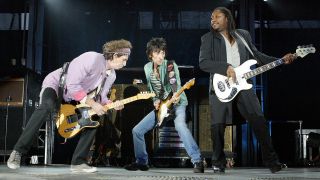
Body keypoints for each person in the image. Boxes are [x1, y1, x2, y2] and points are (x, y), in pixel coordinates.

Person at [7, 39, 132, 173]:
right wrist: (93, 103)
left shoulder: (111, 75)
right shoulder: (91, 59)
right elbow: (72, 85)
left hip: (76, 97)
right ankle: (17, 152)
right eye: (124, 59)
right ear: (114, 56)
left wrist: (112, 104)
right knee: (47, 106)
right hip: (57, 86)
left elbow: (101, 97)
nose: (125, 64)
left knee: (94, 119)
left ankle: (78, 162)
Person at [199, 7, 296, 173]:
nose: (212, 20)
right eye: (211, 18)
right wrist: (226, 67)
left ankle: (272, 162)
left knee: (259, 120)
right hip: (220, 83)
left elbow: (257, 56)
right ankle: (218, 161)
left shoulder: (243, 35)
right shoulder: (208, 38)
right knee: (217, 126)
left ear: (227, 18)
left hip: (243, 82)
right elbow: (203, 62)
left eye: (217, 17)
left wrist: (280, 60)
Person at [124, 37, 204, 173]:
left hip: (177, 103)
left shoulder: (170, 65)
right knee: (137, 130)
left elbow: (175, 85)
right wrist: (155, 100)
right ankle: (142, 162)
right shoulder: (147, 67)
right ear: (150, 54)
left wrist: (173, 96)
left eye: (162, 52)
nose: (161, 55)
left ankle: (197, 160)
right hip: (162, 107)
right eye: (157, 52)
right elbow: (151, 88)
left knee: (180, 125)